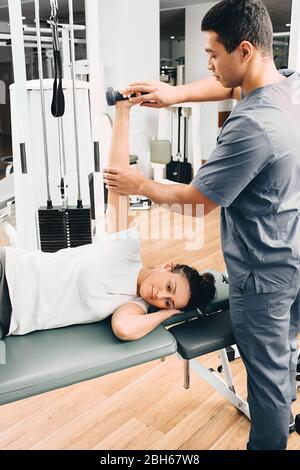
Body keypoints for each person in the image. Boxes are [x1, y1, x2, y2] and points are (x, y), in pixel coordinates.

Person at [103, 0, 300, 450]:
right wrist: (174, 95)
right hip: (294, 249)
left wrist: (139, 182)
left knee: (266, 389)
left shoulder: (251, 126)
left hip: (265, 274)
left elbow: (195, 205)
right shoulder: (288, 86)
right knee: (285, 351)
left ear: (245, 50)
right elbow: (232, 90)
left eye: (213, 53)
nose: (208, 62)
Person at [0, 97, 216, 344]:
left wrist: (168, 313)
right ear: (167, 266)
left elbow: (124, 329)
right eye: (169, 287)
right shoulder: (126, 249)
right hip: (10, 269)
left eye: (167, 301)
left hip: (11, 316)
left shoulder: (133, 305)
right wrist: (123, 111)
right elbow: (117, 176)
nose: (159, 295)